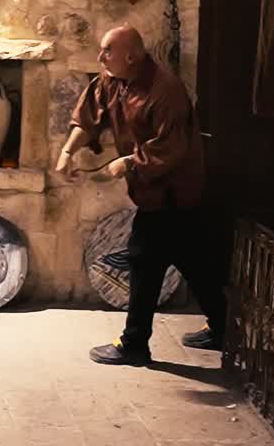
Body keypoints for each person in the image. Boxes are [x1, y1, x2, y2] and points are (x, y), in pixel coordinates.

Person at [54, 25, 226, 366]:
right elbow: (90, 112)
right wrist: (67, 151)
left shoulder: (166, 91)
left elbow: (172, 148)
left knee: (143, 261)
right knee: (194, 262)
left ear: (130, 56)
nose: (100, 57)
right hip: (157, 194)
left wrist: (129, 162)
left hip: (175, 191)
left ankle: (134, 345)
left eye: (107, 51)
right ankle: (224, 328)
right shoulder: (113, 79)